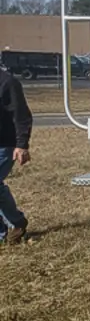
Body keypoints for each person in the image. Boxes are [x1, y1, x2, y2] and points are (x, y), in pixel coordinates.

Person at [0, 63, 32, 244]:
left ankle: (16, 223)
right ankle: (13, 225)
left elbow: (22, 116)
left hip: (5, 145)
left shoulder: (8, 83)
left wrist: (22, 145)